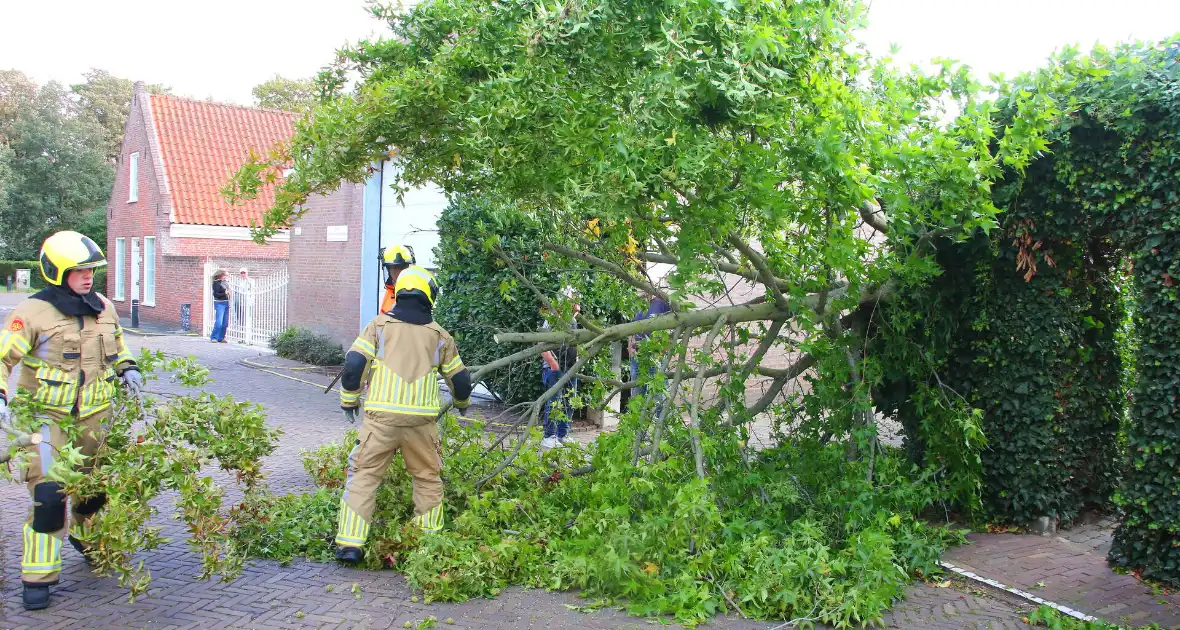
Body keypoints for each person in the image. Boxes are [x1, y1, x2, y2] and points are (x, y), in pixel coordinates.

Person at [0, 231, 141, 610]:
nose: (87, 276)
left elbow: (119, 345)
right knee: (49, 495)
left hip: (98, 417)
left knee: (95, 491)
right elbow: (3, 357)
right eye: (78, 270)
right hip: (48, 420)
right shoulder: (31, 313)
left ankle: (87, 535)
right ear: (57, 272)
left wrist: (128, 367)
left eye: (91, 270)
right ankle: (39, 577)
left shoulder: (103, 307)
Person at [334, 265, 472, 564]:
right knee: (427, 479)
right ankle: (428, 543)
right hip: (421, 424)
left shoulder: (378, 326)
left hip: (380, 420)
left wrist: (349, 401)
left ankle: (350, 544)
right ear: (428, 296)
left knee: (365, 476)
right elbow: (460, 380)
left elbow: (354, 365)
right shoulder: (440, 337)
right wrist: (462, 405)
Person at [539, 290, 580, 449]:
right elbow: (541, 344)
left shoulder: (571, 320)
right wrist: (553, 364)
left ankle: (563, 435)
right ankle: (549, 436)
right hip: (555, 369)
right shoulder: (551, 319)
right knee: (554, 401)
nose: (576, 304)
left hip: (570, 368)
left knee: (569, 402)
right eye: (573, 300)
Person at [629, 293, 671, 401]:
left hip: (656, 355)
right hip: (637, 356)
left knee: (659, 393)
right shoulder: (637, 305)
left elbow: (672, 326)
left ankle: (661, 417)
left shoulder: (662, 303)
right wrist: (630, 347)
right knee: (637, 392)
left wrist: (665, 347)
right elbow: (630, 328)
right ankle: (639, 418)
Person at [379, 244, 415, 313]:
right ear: (388, 269)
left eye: (402, 267)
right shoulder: (390, 291)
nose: (399, 272)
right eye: (395, 267)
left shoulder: (416, 293)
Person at [210, 270, 230, 343]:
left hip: (226, 303)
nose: (226, 277)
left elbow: (228, 292)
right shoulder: (216, 283)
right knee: (219, 322)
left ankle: (221, 338)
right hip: (219, 303)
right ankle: (214, 337)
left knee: (225, 323)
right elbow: (216, 295)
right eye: (225, 275)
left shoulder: (226, 283)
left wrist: (228, 294)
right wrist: (225, 293)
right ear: (220, 275)